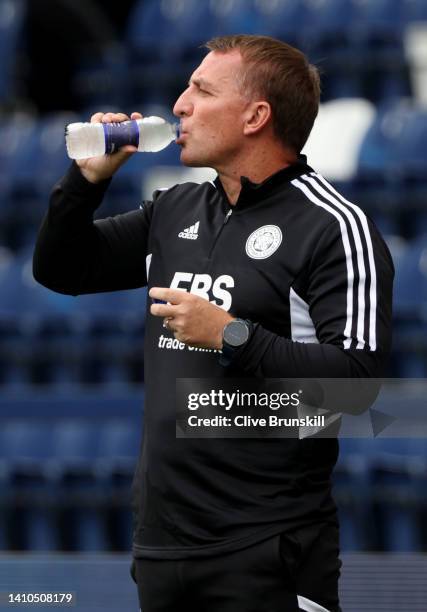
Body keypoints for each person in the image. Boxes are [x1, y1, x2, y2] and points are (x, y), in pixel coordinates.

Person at [33, 35, 393, 612]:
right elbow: (61, 269)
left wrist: (231, 334)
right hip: (162, 549)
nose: (179, 105)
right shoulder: (175, 208)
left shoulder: (332, 227)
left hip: (269, 550)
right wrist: (86, 183)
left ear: (256, 116)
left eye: (201, 90)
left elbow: (358, 386)